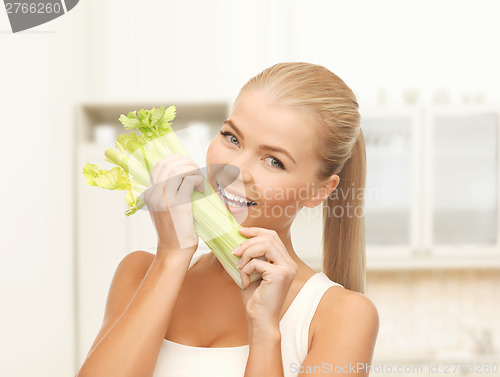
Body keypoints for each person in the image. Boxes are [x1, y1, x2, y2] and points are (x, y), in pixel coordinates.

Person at [75, 62, 379, 377]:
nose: (233, 170)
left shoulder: (342, 317)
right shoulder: (137, 274)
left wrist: (265, 331)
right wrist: (171, 256)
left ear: (318, 192)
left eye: (273, 161)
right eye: (232, 138)